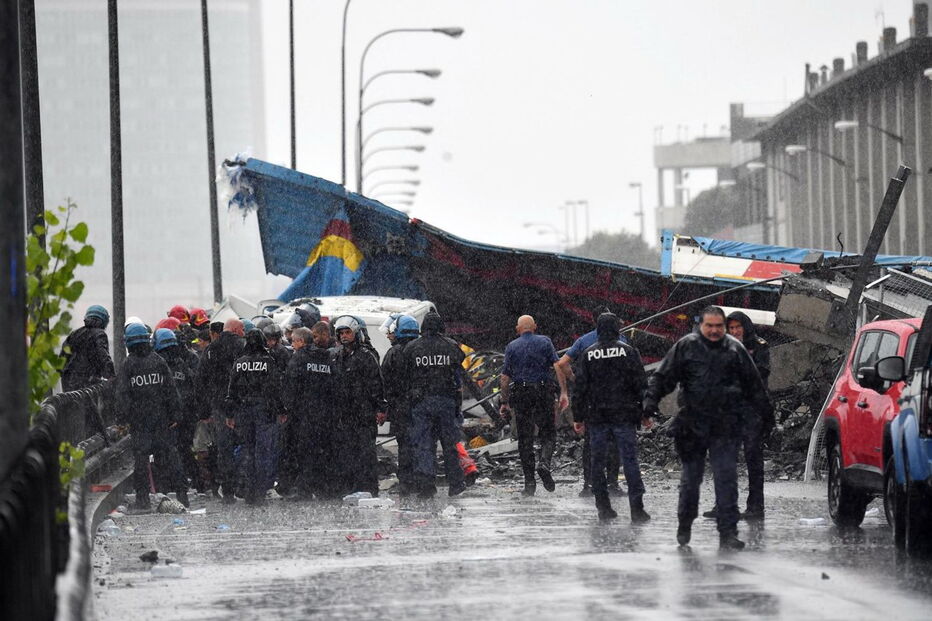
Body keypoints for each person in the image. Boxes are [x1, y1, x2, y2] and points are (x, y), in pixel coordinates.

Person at [643, 306, 772, 550]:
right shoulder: (686, 347)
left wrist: (767, 415)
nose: (714, 331)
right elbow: (663, 377)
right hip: (693, 424)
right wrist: (650, 402)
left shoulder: (736, 350)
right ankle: (685, 524)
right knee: (691, 480)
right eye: (709, 326)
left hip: (726, 425)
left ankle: (728, 532)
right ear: (701, 326)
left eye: (718, 327)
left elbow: (755, 384)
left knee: (726, 478)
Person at [573, 313, 651, 523]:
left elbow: (580, 389)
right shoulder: (628, 352)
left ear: (598, 329)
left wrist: (578, 416)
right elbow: (641, 384)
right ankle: (637, 509)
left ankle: (603, 507)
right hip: (624, 415)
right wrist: (645, 413)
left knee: (597, 462)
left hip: (597, 417)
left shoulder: (588, 354)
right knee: (630, 461)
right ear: (617, 328)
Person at [703, 311, 773, 521]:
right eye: (731, 328)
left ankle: (755, 506)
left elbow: (761, 373)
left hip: (752, 410)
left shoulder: (760, 346)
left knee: (753, 459)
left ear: (745, 328)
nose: (734, 332)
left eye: (737, 328)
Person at [115, 323, 189, 510]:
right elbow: (171, 390)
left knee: (141, 460)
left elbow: (122, 394)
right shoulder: (158, 361)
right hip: (161, 419)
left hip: (139, 422)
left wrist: (122, 419)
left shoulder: (128, 365)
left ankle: (143, 498)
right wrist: (175, 414)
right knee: (169, 456)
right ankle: (179, 494)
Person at [555, 307, 626, 497]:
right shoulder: (622, 342)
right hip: (616, 398)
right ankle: (612, 484)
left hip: (592, 399)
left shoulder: (584, 341)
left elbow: (562, 363)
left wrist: (576, 379)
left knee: (590, 443)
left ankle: (589, 484)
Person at [499, 315, 569, 495]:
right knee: (548, 433)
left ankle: (529, 483)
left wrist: (504, 402)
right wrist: (563, 392)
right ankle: (544, 463)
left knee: (525, 439)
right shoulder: (545, 342)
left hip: (521, 394)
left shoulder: (512, 347)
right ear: (535, 327)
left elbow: (505, 378)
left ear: (517, 329)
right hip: (543, 392)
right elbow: (557, 366)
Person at [401, 311, 467, 497]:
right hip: (446, 401)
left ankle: (426, 485)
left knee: (424, 444)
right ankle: (455, 484)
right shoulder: (451, 346)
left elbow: (405, 374)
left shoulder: (412, 348)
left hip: (421, 403)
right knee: (449, 444)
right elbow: (458, 366)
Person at [225, 329, 286, 505]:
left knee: (248, 451)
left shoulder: (239, 363)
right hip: (264, 410)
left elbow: (232, 391)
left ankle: (248, 491)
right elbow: (276, 389)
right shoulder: (269, 362)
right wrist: (281, 409)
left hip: (244, 411)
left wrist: (230, 414)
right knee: (264, 452)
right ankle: (260, 491)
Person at [332, 315, 386, 496]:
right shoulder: (338, 356)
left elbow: (376, 383)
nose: (345, 336)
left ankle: (369, 488)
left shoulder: (366, 356)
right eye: (342, 333)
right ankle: (350, 488)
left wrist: (380, 408)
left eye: (348, 332)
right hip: (344, 413)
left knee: (366, 452)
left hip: (363, 412)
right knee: (346, 452)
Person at [282, 323, 337, 498]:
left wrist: (288, 409)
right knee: (323, 452)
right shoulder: (326, 357)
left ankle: (304, 490)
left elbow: (290, 386)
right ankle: (324, 489)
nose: (292, 345)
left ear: (299, 341)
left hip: (304, 415)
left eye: (293, 341)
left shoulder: (298, 359)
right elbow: (336, 385)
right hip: (325, 414)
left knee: (304, 452)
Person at [196, 318, 245, 502]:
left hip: (219, 406)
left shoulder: (211, 350)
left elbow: (200, 381)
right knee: (247, 444)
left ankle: (228, 490)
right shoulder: (243, 347)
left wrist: (204, 411)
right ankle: (245, 485)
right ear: (234, 329)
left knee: (223, 449)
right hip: (241, 405)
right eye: (241, 329)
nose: (243, 332)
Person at [153, 328, 199, 489]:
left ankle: (170, 485)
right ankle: (188, 483)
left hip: (167, 416)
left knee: (168, 451)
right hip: (183, 415)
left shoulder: (158, 363)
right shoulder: (181, 363)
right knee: (183, 450)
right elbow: (192, 389)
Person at [380, 315, 421, 494]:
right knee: (422, 443)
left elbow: (384, 381)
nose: (389, 335)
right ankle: (422, 479)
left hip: (400, 407)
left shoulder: (393, 353)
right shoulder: (421, 349)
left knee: (404, 445)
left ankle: (406, 482)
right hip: (420, 406)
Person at [61, 305, 115, 392]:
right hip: (87, 383)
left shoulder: (74, 334)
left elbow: (62, 358)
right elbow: (104, 357)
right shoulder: (100, 334)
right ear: (103, 321)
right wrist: (111, 377)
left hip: (68, 383)